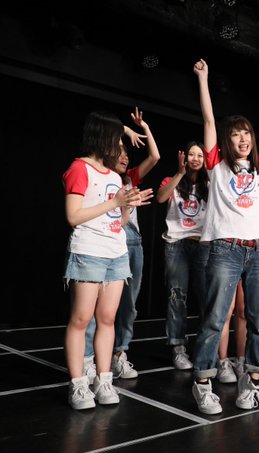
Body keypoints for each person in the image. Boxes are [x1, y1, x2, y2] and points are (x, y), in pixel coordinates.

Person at [191, 58, 259, 414]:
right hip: (226, 249)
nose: (243, 139)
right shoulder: (216, 166)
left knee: (258, 322)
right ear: (227, 139)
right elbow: (208, 120)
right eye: (236, 134)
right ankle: (203, 383)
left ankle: (251, 382)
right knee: (215, 318)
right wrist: (203, 79)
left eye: (247, 133)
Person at [63, 111, 152, 410]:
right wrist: (115, 201)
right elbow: (73, 216)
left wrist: (128, 205)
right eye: (117, 141)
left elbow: (118, 220)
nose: (120, 148)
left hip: (116, 253)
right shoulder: (80, 168)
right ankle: (78, 384)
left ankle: (104, 380)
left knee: (107, 319)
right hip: (89, 251)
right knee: (81, 319)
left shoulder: (114, 176)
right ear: (103, 139)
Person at [83, 107, 160, 382]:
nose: (125, 156)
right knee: (95, 306)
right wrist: (124, 129)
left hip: (132, 241)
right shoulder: (98, 174)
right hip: (105, 238)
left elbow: (155, 156)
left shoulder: (131, 178)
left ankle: (119, 353)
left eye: (127, 153)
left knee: (129, 304)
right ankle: (88, 359)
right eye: (119, 151)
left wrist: (144, 128)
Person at [156, 142, 210, 370]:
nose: (196, 158)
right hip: (176, 244)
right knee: (176, 296)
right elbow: (160, 198)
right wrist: (179, 173)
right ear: (184, 158)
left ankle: (206, 348)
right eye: (191, 154)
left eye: (200, 155)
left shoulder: (210, 184)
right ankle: (178, 348)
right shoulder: (172, 180)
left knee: (207, 297)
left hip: (202, 244)